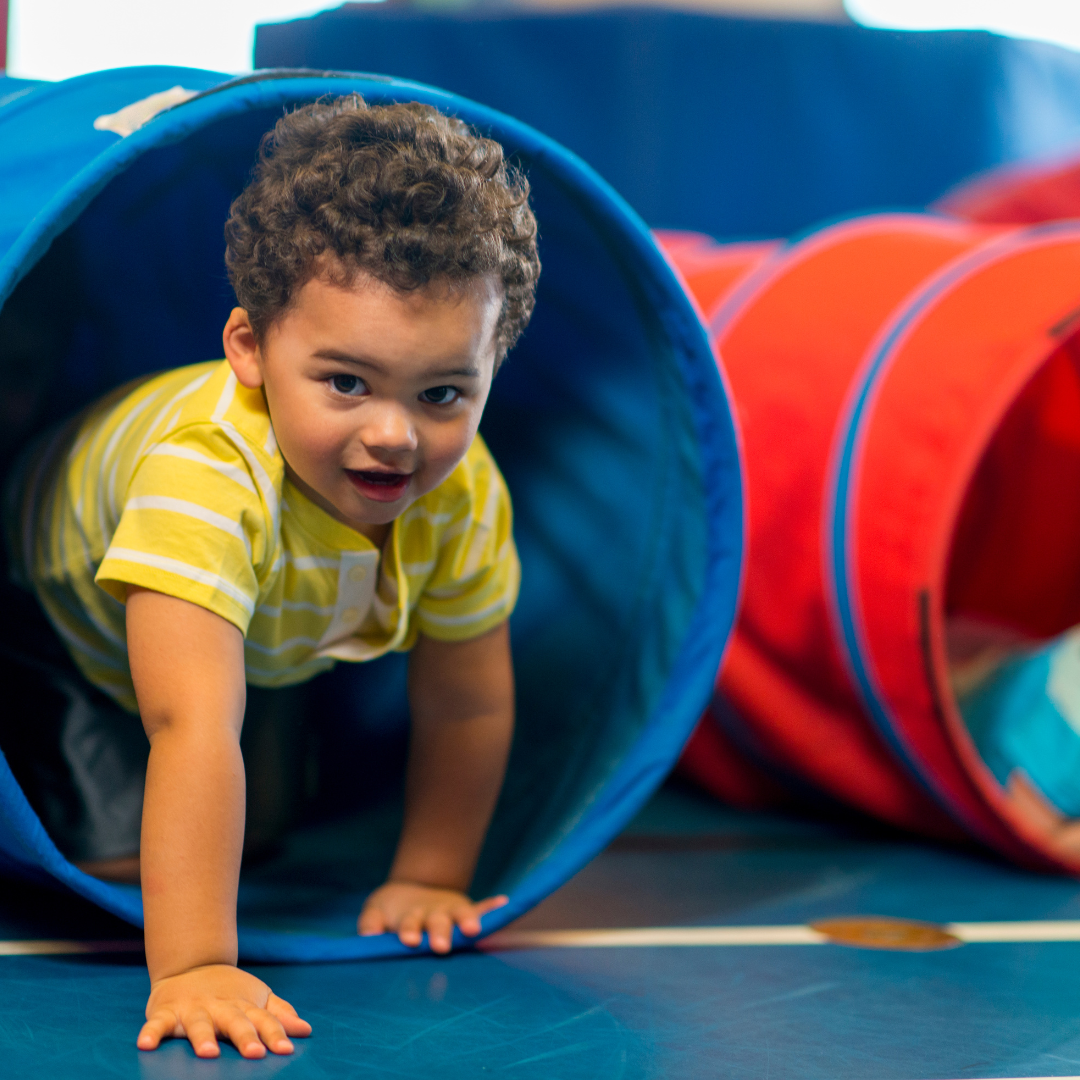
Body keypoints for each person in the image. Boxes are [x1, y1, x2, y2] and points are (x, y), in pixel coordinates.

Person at [1, 94, 540, 1059]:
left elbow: (465, 701)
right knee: (139, 854)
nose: (393, 434)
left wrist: (429, 872)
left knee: (262, 817)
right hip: (55, 618)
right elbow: (190, 725)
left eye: (443, 392)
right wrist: (197, 963)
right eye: (346, 382)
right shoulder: (205, 478)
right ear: (250, 348)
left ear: (492, 369)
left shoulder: (463, 493)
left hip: (265, 630)